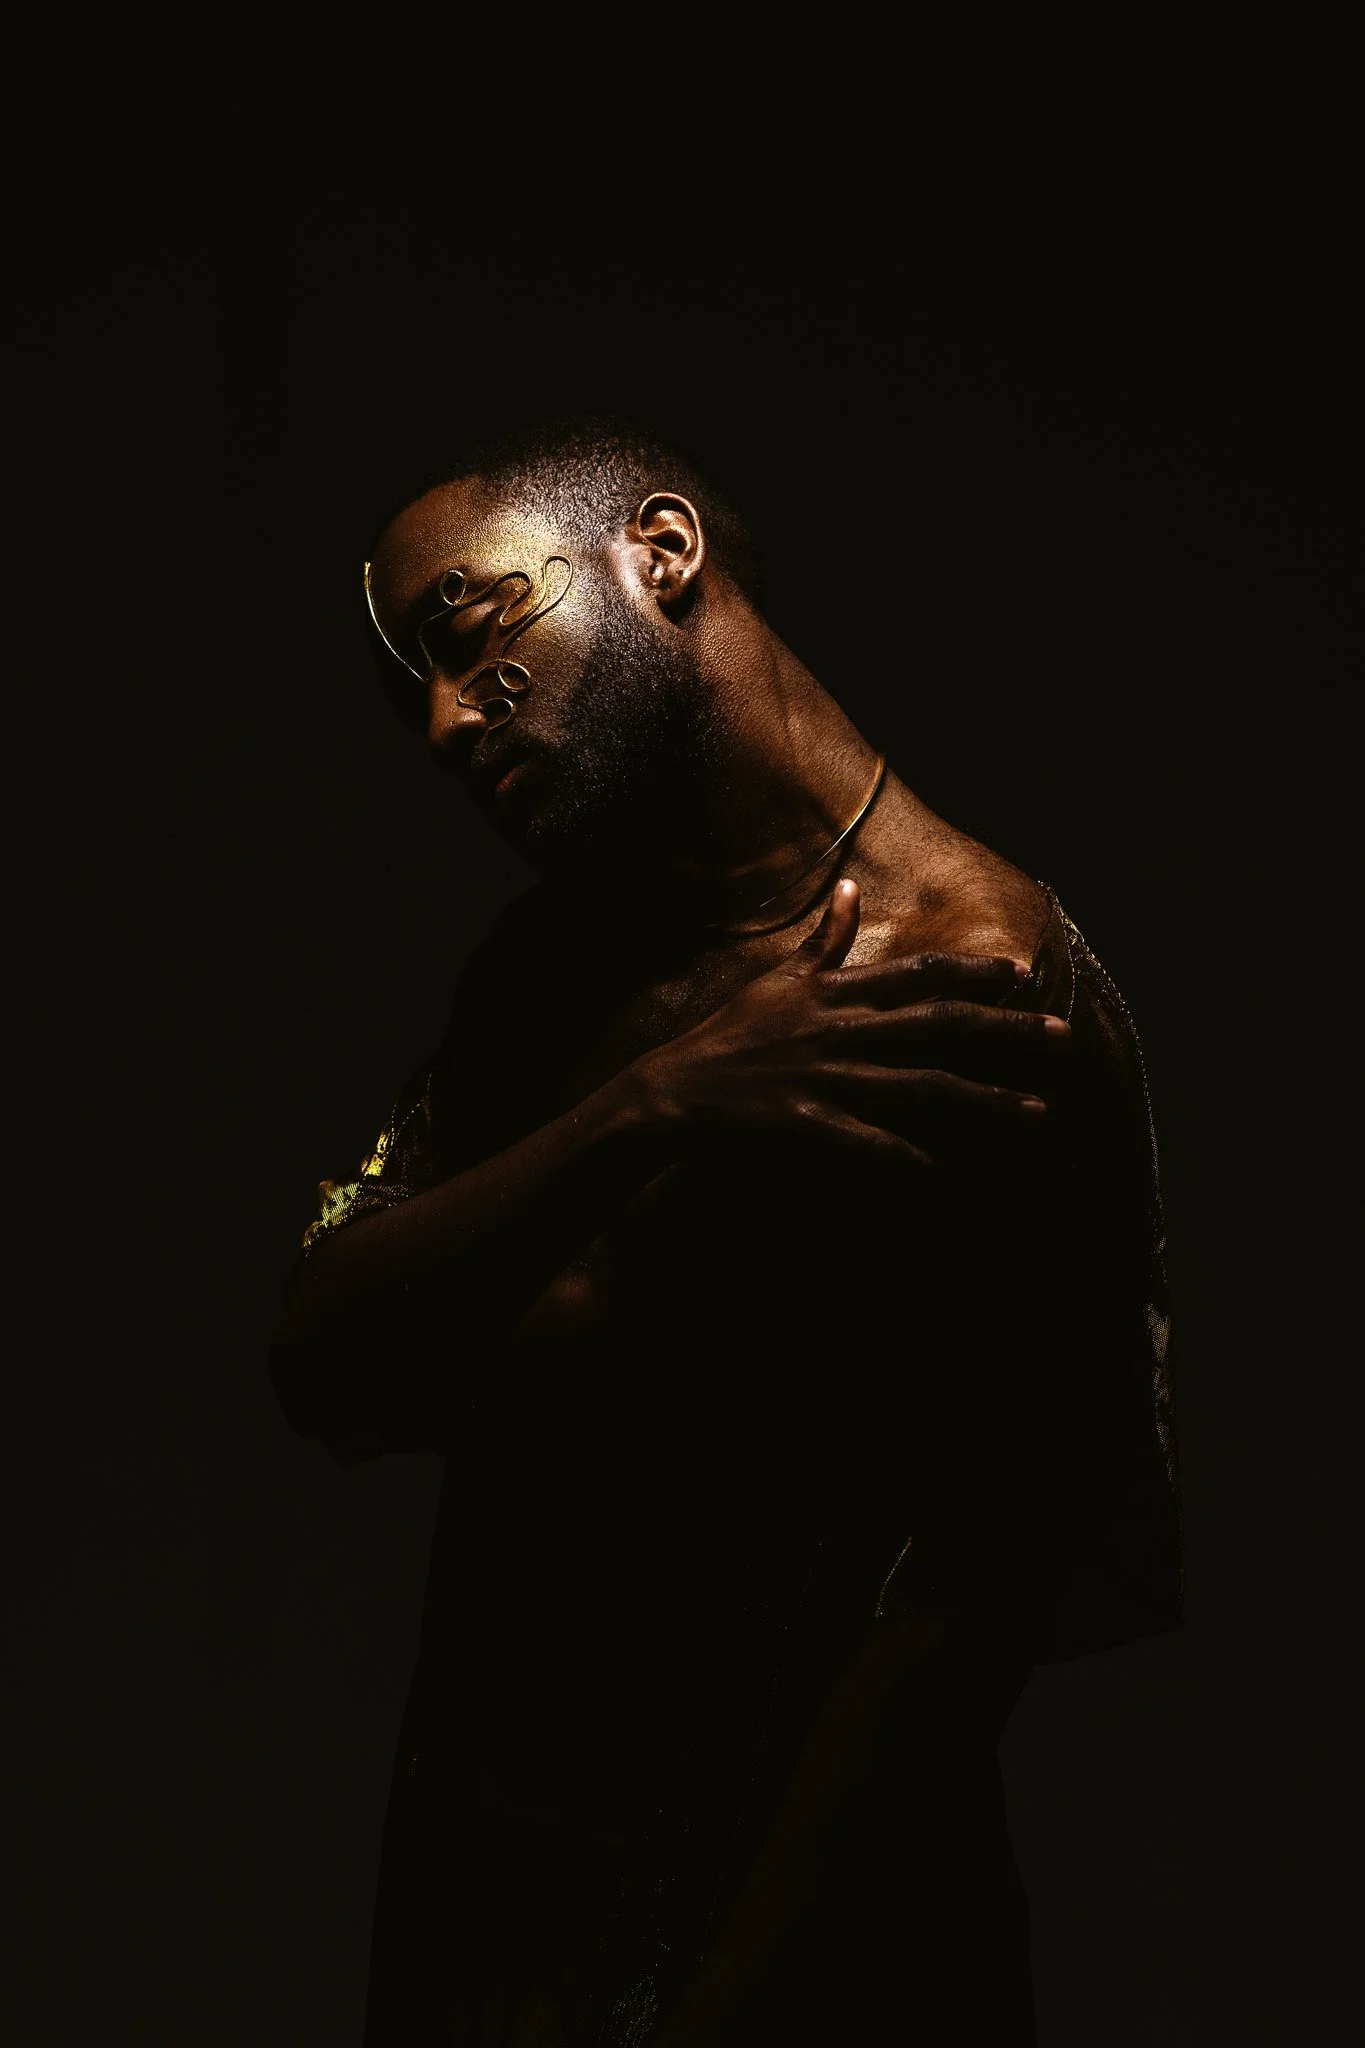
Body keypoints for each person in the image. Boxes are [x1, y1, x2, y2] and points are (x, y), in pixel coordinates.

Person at [269, 419, 1182, 2045]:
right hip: (485, 1936)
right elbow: (327, 1356)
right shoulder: (566, 970)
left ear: (661, 554)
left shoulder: (974, 986)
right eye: (415, 682)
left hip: (803, 1971)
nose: (440, 718)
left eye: (470, 638)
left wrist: (688, 2022)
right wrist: (656, 1105)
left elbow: (959, 1606)